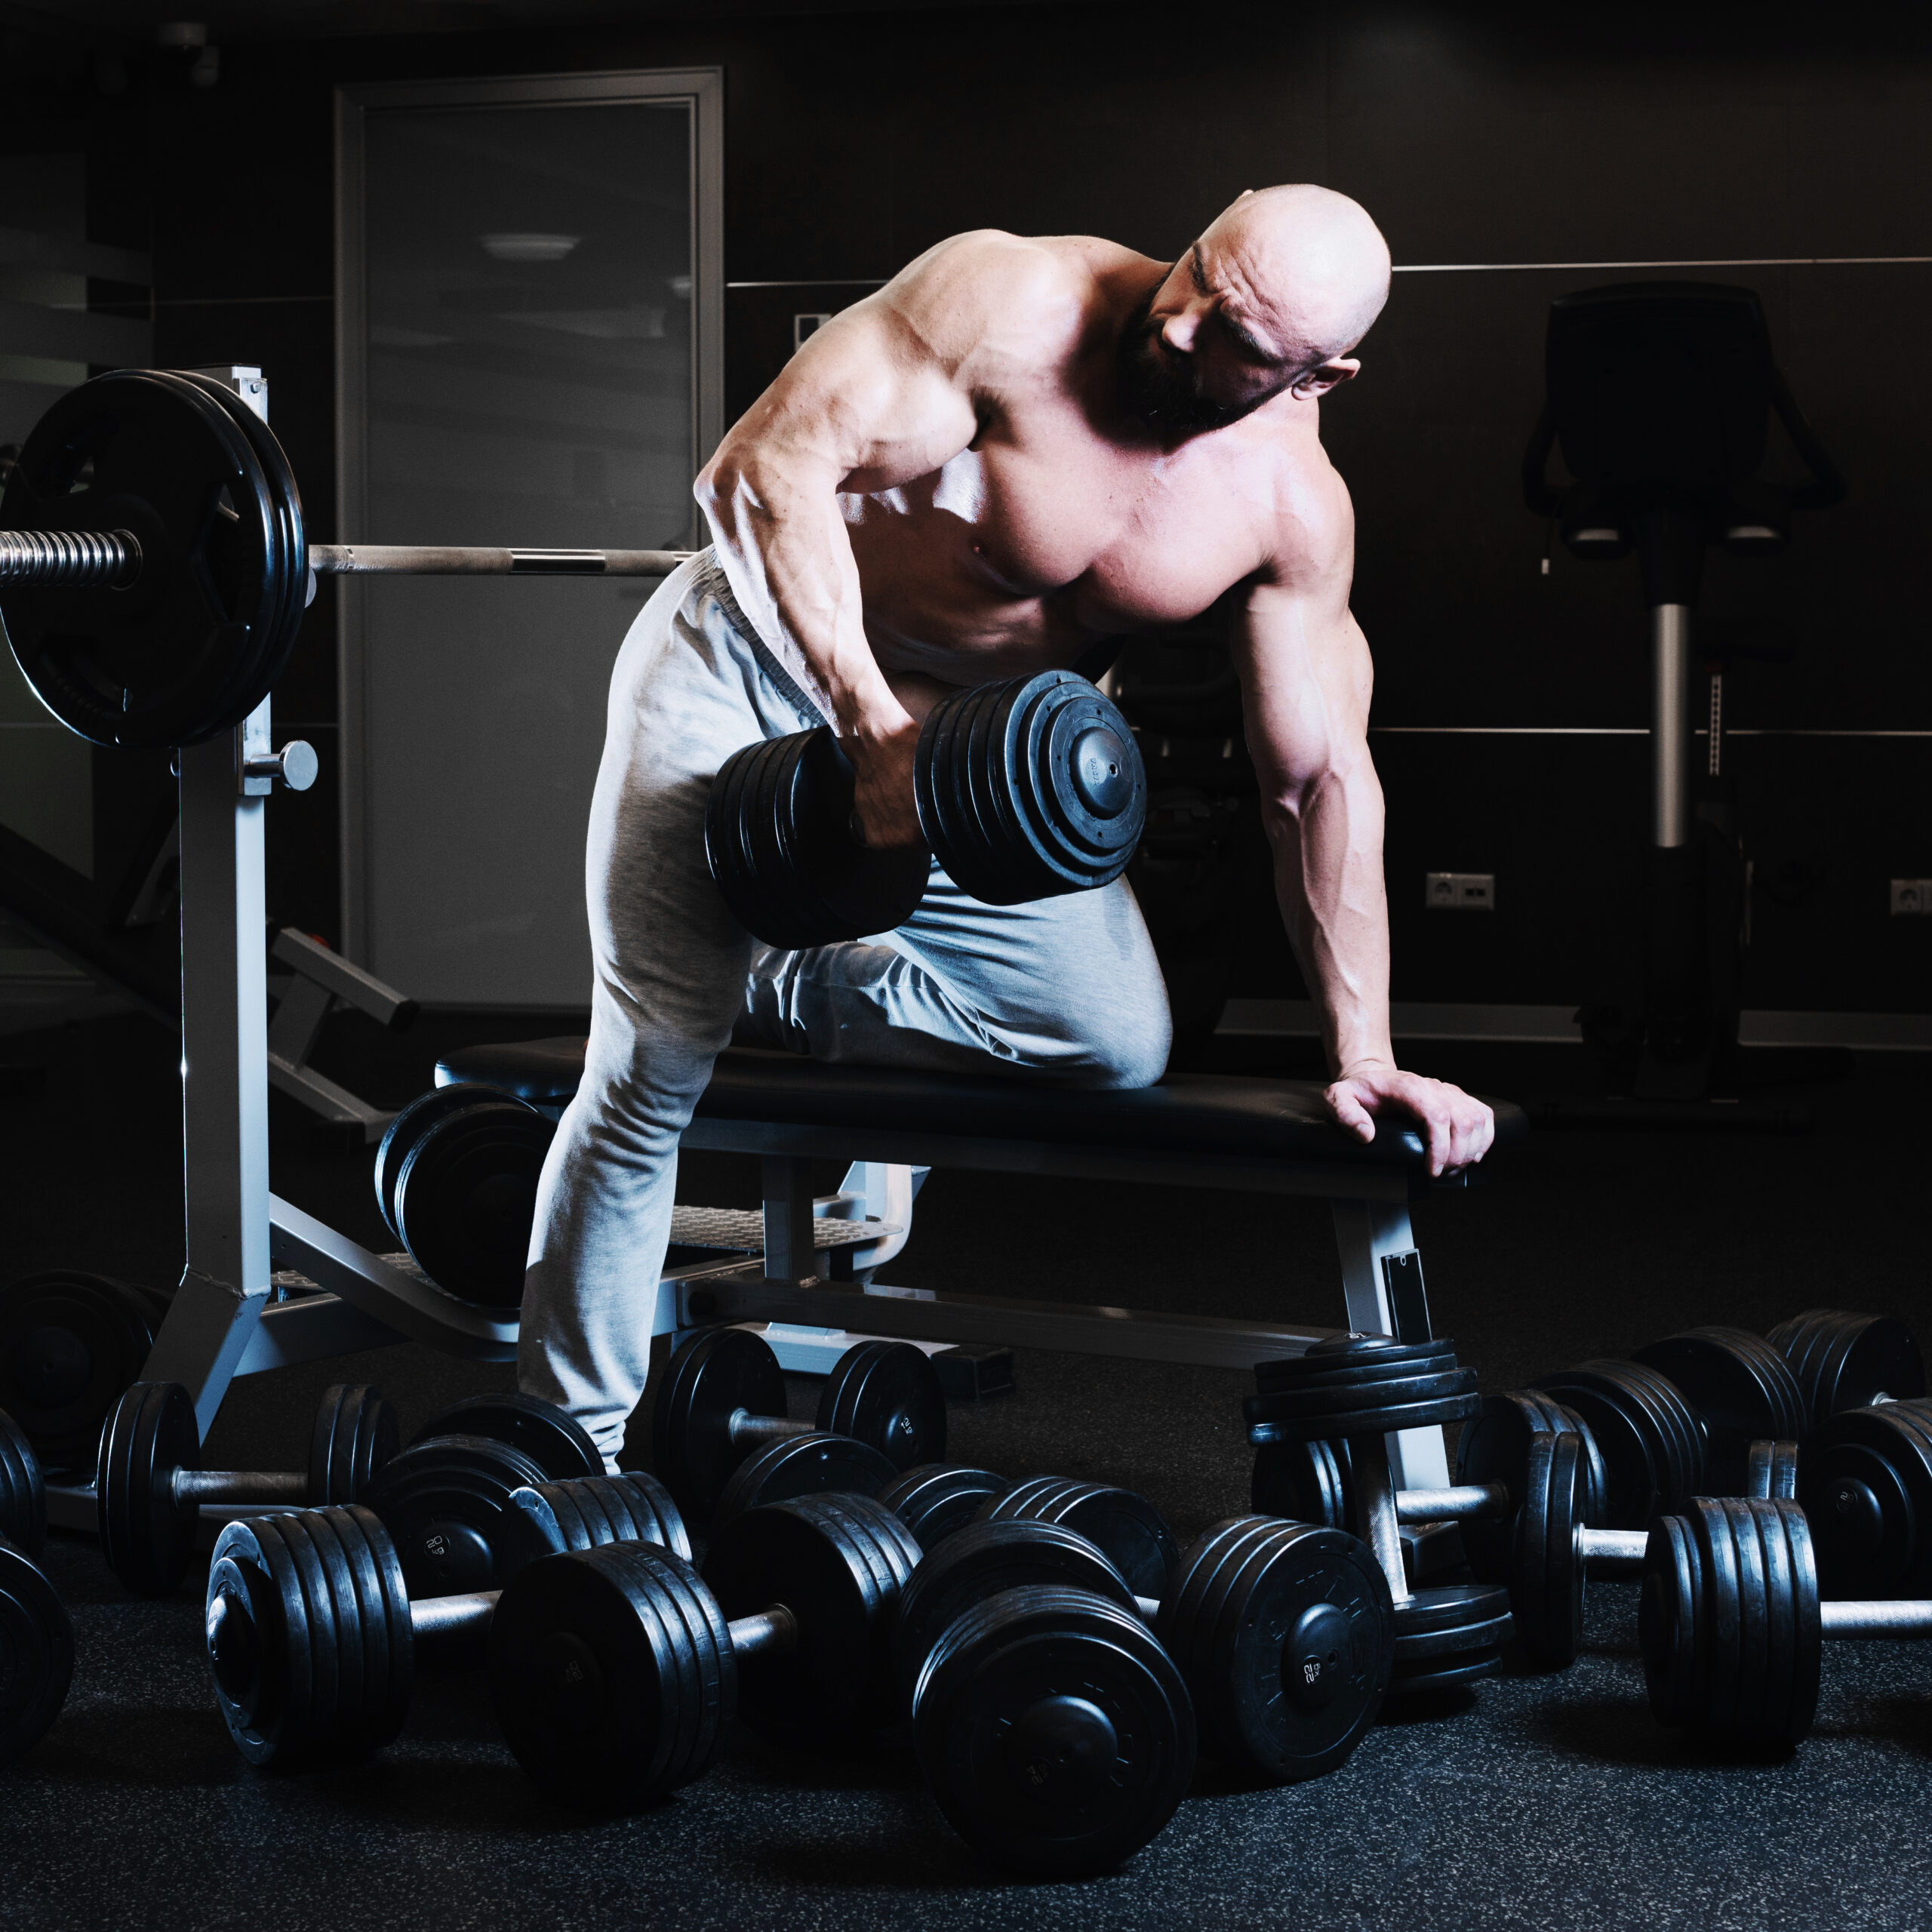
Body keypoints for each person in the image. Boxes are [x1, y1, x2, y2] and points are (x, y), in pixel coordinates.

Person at [522, 184, 1496, 1463]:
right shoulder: (1007, 300)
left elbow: (1315, 780)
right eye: (1200, 272)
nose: (1183, 324)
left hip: (976, 764)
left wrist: (1361, 1050)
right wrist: (869, 730)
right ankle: (566, 1456)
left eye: (1239, 340)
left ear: (1320, 377)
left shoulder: (1290, 512)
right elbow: (758, 474)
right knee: (654, 1069)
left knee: (1109, 1044)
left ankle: (809, 983)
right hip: (750, 662)